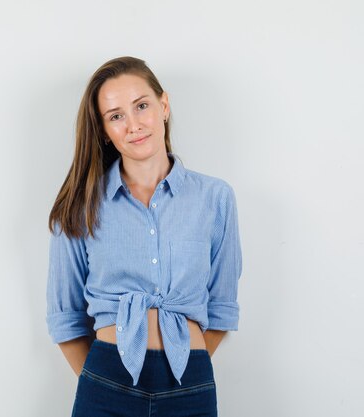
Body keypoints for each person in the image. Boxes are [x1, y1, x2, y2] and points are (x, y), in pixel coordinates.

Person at [45, 56, 243, 417]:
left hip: (190, 383)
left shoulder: (215, 198)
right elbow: (65, 318)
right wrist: (104, 381)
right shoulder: (80, 206)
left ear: (163, 105)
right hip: (106, 383)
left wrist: (185, 366)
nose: (133, 124)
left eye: (141, 106)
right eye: (116, 116)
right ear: (104, 129)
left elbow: (222, 307)